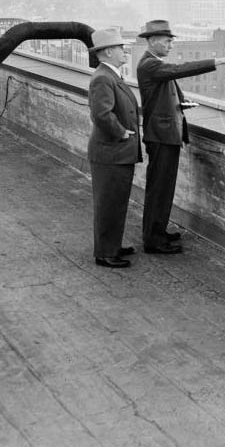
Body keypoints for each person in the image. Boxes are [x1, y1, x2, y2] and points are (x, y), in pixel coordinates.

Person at [136, 19, 225, 254]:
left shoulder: (153, 63)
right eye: (167, 41)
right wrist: (220, 61)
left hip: (165, 135)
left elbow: (165, 91)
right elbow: (180, 70)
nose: (170, 45)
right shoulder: (149, 65)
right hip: (161, 137)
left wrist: (180, 105)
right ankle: (153, 240)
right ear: (152, 41)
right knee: (159, 189)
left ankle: (158, 231)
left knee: (164, 188)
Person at [86, 28, 141, 268]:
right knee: (109, 203)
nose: (124, 50)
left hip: (116, 152)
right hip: (111, 152)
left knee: (116, 202)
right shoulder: (103, 78)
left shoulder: (111, 75)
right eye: (120, 47)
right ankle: (106, 253)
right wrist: (121, 132)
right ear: (108, 51)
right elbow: (101, 114)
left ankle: (113, 245)